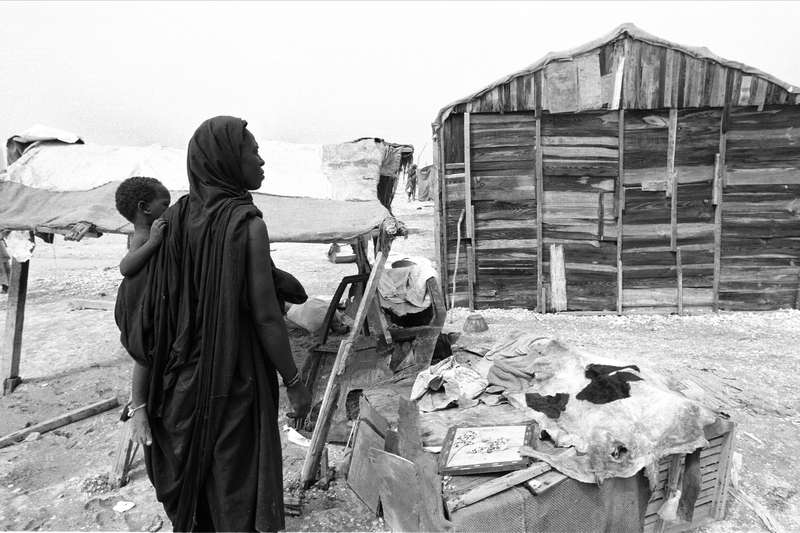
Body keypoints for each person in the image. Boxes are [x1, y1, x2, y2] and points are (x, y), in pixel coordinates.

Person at [115, 116, 311, 532]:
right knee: (234, 490)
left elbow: (147, 319)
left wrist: (142, 403)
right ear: (225, 161)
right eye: (251, 151)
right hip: (234, 383)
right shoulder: (247, 225)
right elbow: (265, 318)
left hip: (176, 388)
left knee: (200, 496)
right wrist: (294, 382)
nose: (261, 160)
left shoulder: (173, 219)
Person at [114, 176, 171, 277]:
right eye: (165, 204)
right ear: (145, 208)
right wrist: (152, 242)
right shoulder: (143, 235)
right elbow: (125, 268)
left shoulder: (154, 230)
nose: (169, 209)